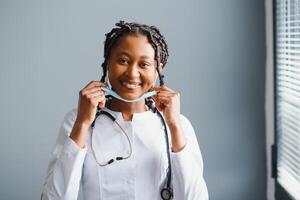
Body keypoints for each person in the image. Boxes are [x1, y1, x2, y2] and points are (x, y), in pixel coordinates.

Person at [41, 20, 208, 200]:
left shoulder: (179, 124)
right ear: (108, 63)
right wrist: (82, 124)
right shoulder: (78, 119)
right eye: (123, 61)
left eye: (144, 64)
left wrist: (174, 127)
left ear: (158, 69)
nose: (132, 73)